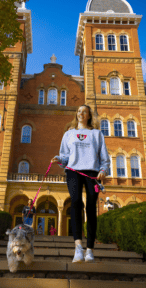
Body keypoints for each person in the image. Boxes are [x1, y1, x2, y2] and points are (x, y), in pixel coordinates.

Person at [51, 104, 109, 263]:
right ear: (76, 114)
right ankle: (78, 247)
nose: (81, 113)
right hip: (73, 171)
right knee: (75, 202)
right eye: (79, 111)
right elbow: (65, 155)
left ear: (89, 116)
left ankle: (89, 249)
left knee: (91, 207)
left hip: (92, 173)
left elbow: (104, 158)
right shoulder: (69, 134)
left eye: (84, 111)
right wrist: (59, 159)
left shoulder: (97, 134)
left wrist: (103, 170)